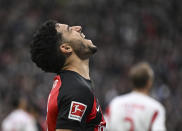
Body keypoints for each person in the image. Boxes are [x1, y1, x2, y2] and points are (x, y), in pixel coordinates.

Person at [30, 20, 106, 131]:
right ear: (66, 48)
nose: (78, 28)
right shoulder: (76, 90)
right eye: (69, 30)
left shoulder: (70, 85)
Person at [105, 62, 166, 131]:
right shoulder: (156, 108)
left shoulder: (115, 103)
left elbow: (103, 128)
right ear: (149, 83)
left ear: (132, 81)